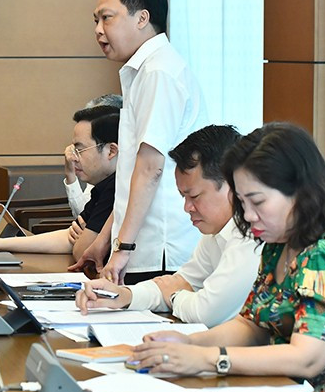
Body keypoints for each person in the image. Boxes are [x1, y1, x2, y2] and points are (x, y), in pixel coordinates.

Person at [131, 123, 325, 392]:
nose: (249, 216)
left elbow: (307, 358)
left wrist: (207, 358)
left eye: (257, 202)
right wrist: (188, 343)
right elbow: (251, 324)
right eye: (242, 203)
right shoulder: (277, 243)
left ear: (300, 190)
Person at [73, 0, 209, 285]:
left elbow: (150, 169)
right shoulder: (147, 69)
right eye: (95, 20)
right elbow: (129, 173)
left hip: (159, 248)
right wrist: (105, 240)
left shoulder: (159, 72)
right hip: (140, 244)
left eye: (107, 18)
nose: (97, 30)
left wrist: (123, 248)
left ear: (142, 18)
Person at [77, 125, 263, 326]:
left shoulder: (252, 234)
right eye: (183, 197)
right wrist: (124, 295)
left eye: (194, 196)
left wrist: (173, 295)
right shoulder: (214, 233)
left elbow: (206, 312)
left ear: (231, 184)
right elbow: (183, 281)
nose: (187, 207)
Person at [0, 105, 119, 261]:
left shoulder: (117, 188)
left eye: (79, 150)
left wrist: (83, 240)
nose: (72, 158)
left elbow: (81, 252)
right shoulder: (102, 187)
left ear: (111, 151)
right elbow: (68, 238)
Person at [64, 94, 123, 216]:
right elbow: (84, 220)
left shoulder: (120, 186)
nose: (73, 157)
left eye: (80, 150)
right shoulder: (100, 179)